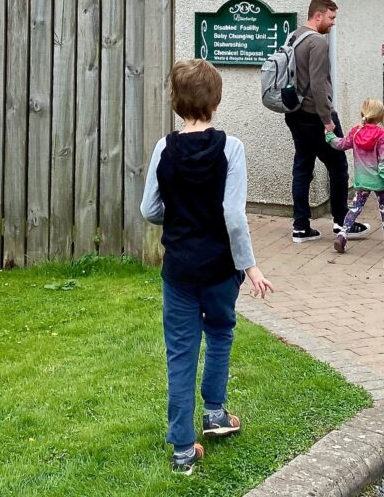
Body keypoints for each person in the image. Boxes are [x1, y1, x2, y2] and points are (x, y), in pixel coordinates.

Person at [141, 59, 275, 477]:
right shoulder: (230, 148)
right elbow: (233, 216)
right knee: (219, 333)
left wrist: (179, 219)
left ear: (175, 102)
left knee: (180, 353)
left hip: (178, 270)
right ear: (216, 101)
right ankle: (215, 413)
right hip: (220, 269)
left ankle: (183, 450)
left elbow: (149, 209)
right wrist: (249, 267)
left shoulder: (164, 148)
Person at [285, 0, 367, 243]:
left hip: (295, 113)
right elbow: (319, 85)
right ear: (317, 15)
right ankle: (342, 221)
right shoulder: (317, 43)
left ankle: (300, 226)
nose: (333, 23)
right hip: (315, 115)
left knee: (303, 167)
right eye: (331, 17)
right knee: (338, 165)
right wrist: (327, 120)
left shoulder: (294, 37)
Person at [326, 98, 384, 253]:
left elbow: (341, 144)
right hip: (379, 181)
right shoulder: (382, 135)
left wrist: (330, 136)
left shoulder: (356, 131)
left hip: (362, 179)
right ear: (380, 116)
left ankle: (342, 234)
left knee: (355, 207)